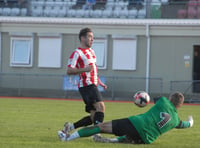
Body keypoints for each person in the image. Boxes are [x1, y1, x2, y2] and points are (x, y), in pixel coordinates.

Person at [58, 92, 194, 144]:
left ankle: (67, 138)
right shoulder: (176, 120)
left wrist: (141, 97)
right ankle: (110, 141)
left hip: (136, 124)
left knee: (100, 127)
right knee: (128, 138)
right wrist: (191, 122)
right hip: (146, 139)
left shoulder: (164, 101)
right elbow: (184, 125)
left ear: (170, 99)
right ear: (180, 106)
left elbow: (151, 98)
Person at [59, 28, 107, 136]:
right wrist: (84, 69)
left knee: (93, 116)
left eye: (92, 37)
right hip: (87, 85)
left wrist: (99, 81)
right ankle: (97, 135)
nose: (92, 39)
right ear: (82, 38)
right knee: (101, 107)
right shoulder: (77, 53)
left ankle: (69, 127)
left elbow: (93, 69)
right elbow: (69, 70)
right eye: (90, 37)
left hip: (92, 84)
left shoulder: (92, 51)